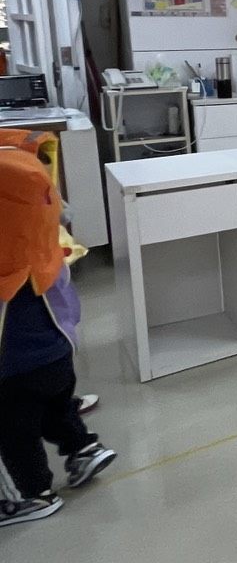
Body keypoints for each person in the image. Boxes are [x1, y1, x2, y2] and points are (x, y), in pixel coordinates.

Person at [0, 147, 116, 528]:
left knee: (15, 434)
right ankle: (83, 449)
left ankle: (31, 494)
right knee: (56, 408)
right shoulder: (45, 255)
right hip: (59, 356)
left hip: (13, 372)